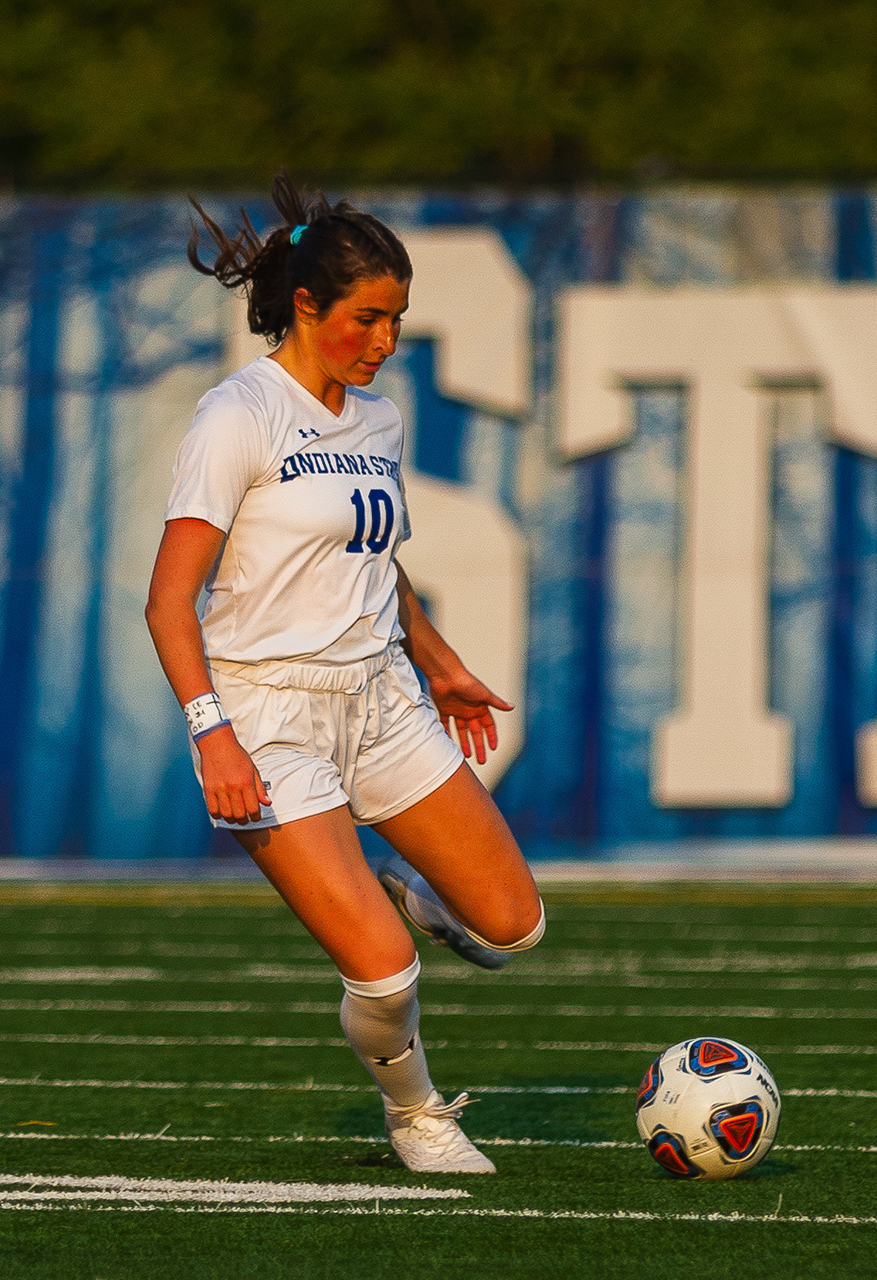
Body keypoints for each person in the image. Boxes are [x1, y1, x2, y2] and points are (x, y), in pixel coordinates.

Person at [145, 176, 545, 1171]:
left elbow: (375, 562)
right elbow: (167, 602)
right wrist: (213, 734)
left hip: (382, 700)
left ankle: (409, 889)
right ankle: (418, 1115)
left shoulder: (378, 420)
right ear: (306, 305)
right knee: (385, 970)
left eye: (397, 319)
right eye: (368, 317)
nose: (385, 340)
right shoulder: (238, 416)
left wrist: (440, 663)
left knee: (514, 926)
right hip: (268, 718)